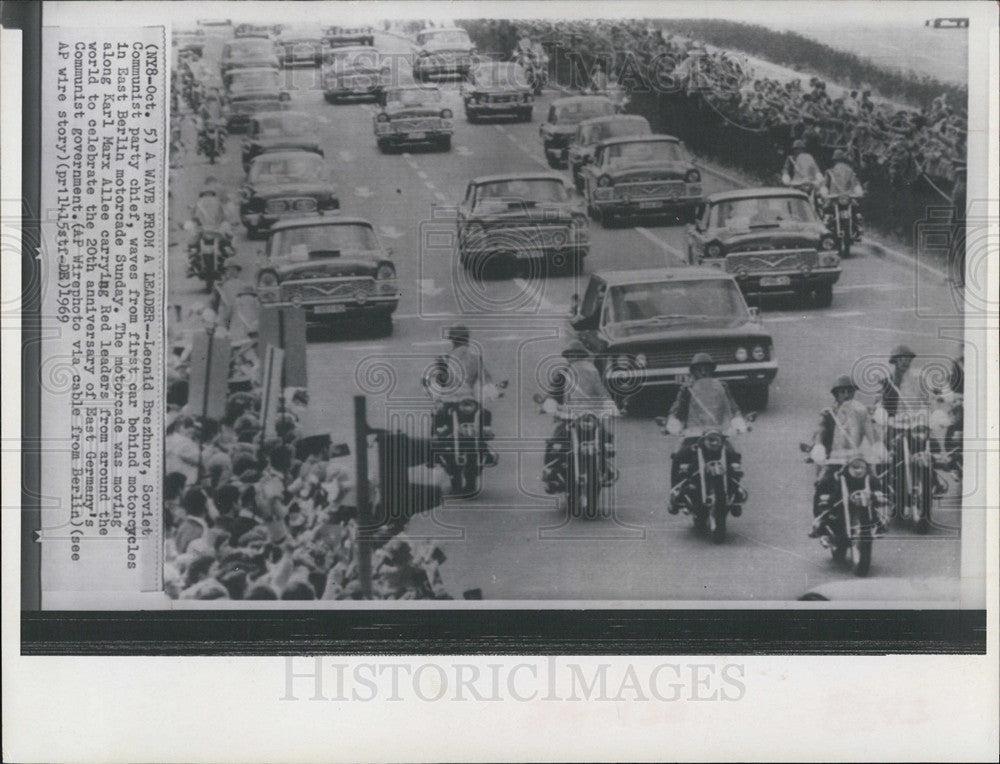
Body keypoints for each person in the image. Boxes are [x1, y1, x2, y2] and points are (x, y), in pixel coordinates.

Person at [665, 353, 748, 516]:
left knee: (733, 455)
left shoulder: (722, 387)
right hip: (694, 433)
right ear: (693, 371)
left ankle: (734, 490)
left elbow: (732, 406)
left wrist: (738, 420)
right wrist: (673, 421)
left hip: (717, 432)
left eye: (707, 369)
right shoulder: (687, 389)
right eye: (699, 369)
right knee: (678, 457)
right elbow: (677, 408)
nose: (703, 372)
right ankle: (674, 496)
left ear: (712, 371)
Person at [807, 375, 884, 536]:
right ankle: (820, 520)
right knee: (822, 483)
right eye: (842, 392)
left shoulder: (861, 412)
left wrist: (877, 445)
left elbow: (870, 429)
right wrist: (819, 445)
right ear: (836, 395)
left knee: (875, 483)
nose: (846, 395)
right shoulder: (828, 413)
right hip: (836, 459)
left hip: (857, 459)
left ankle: (878, 517)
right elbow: (820, 430)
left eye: (849, 391)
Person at [540, 340, 618, 494]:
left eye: (577, 355)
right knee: (555, 441)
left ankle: (604, 468)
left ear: (583, 357)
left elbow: (603, 392)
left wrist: (610, 406)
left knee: (606, 437)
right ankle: (550, 474)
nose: (574, 358)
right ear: (567, 357)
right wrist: (550, 403)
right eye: (570, 355)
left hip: (589, 416)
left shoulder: (593, 373)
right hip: (568, 416)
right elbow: (554, 391)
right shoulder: (562, 373)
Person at [430, 325, 498, 467]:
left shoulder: (445, 358)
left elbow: (437, 381)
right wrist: (492, 392)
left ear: (452, 341)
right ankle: (484, 448)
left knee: (437, 420)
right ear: (467, 339)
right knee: (484, 417)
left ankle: (434, 450)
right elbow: (485, 378)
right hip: (469, 401)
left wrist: (436, 396)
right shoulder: (475, 357)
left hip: (449, 401)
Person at [819, 148, 865, 237]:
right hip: (847, 198)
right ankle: (858, 227)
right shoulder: (850, 171)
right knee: (856, 211)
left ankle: (857, 226)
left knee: (826, 212)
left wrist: (824, 192)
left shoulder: (830, 171)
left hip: (835, 199)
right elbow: (856, 183)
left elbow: (825, 184)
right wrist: (858, 192)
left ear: (834, 160)